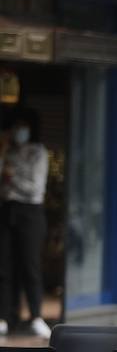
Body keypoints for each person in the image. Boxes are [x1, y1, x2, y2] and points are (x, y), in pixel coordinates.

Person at [0, 110, 49, 337]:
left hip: (30, 212)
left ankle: (36, 315)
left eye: (23, 126)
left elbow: (35, 188)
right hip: (7, 210)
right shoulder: (6, 151)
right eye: (15, 127)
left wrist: (12, 177)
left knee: (30, 265)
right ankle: (5, 316)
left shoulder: (37, 153)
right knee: (5, 266)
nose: (19, 132)